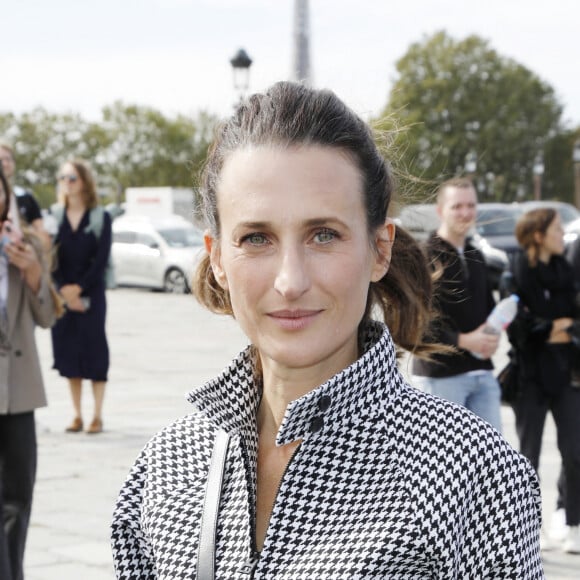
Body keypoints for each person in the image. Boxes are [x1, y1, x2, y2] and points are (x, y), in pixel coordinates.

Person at [111, 82, 542, 578]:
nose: (290, 281)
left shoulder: (472, 475)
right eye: (256, 238)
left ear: (379, 249)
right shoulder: (166, 468)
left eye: (323, 235)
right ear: (217, 259)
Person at [507, 208, 580, 554]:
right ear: (538, 235)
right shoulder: (518, 270)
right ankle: (527, 530)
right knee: (528, 459)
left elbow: (577, 322)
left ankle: (572, 524)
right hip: (530, 377)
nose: (561, 234)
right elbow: (520, 330)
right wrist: (555, 327)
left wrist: (556, 328)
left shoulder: (565, 269)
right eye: (555, 228)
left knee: (576, 452)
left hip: (565, 373)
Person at [0, 166, 58, 579]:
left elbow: (46, 317)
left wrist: (34, 274)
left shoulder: (25, 246)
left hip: (19, 392)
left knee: (17, 500)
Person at [410, 178, 502, 432]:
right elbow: (415, 325)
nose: (465, 212)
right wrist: (464, 341)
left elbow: (487, 310)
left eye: (471, 205)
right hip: (441, 377)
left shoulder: (477, 255)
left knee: (492, 464)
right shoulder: (424, 256)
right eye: (457, 206)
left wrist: (492, 334)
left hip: (481, 373)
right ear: (440, 211)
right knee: (443, 467)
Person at [50, 159, 111, 434]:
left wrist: (80, 289)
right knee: (69, 353)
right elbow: (49, 259)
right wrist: (64, 290)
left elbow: (101, 260)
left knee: (94, 351)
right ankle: (76, 415)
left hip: (92, 294)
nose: (67, 182)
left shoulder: (100, 216)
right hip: (62, 296)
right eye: (63, 178)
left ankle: (97, 415)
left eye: (72, 177)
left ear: (84, 181)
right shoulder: (54, 216)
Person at [0, 142, 51, 249]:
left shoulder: (26, 198)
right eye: (0, 160)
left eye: (7, 159)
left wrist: (26, 234)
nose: (4, 164)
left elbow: (42, 234)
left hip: (21, 258)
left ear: (13, 163)